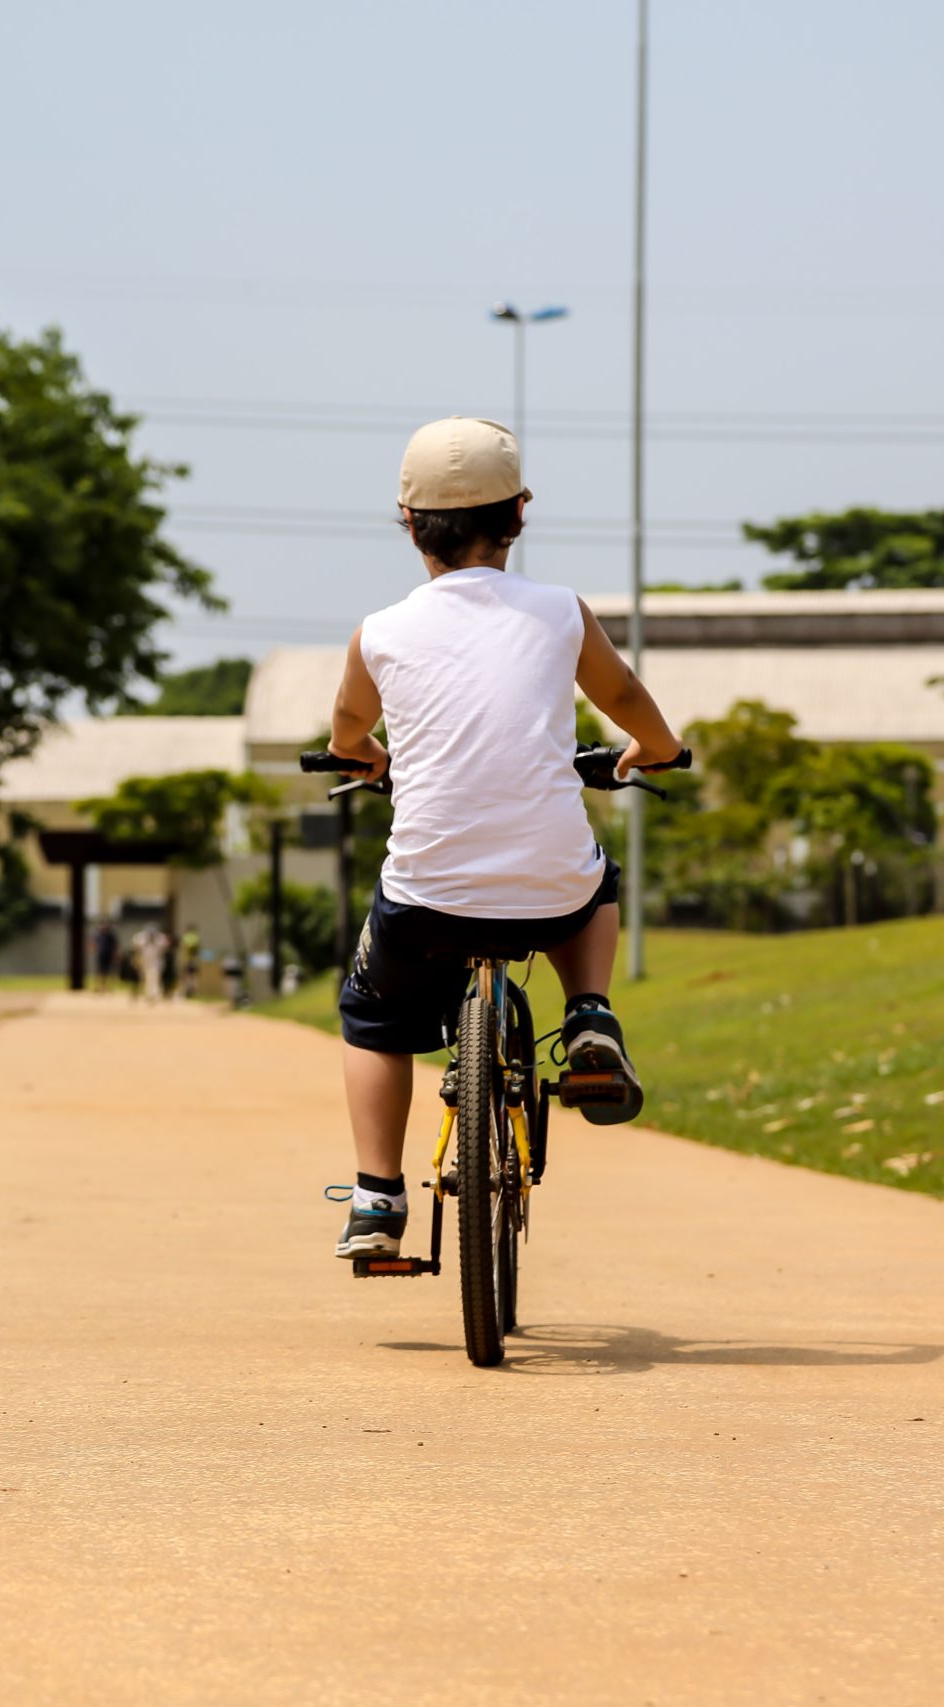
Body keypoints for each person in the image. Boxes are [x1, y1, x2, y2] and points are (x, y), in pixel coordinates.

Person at [327, 417, 683, 1261]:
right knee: (597, 879)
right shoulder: (560, 612)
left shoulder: (378, 632)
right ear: (519, 514)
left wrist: (370, 759)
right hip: (548, 895)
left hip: (426, 904)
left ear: (410, 523)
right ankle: (591, 1013)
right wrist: (657, 750)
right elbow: (624, 696)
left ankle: (378, 1197)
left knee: (372, 1019)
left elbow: (347, 729)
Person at [133, 924, 170, 1002]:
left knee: (154, 977)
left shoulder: (159, 939)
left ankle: (153, 994)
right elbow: (135, 943)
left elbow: (166, 944)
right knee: (147, 978)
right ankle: (150, 994)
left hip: (156, 962)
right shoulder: (142, 939)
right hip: (145, 962)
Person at [88, 920, 118, 992]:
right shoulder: (99, 935)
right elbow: (93, 943)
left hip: (108, 955)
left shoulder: (110, 936)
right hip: (101, 955)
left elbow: (115, 946)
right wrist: (92, 947)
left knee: (107, 971)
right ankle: (98, 986)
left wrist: (115, 955)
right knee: (99, 971)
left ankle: (106, 987)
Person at [177, 926, 203, 999]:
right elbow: (195, 947)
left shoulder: (187, 937)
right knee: (192, 976)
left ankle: (188, 991)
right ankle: (190, 991)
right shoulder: (195, 937)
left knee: (187, 976)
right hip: (192, 959)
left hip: (188, 959)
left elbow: (191, 947)